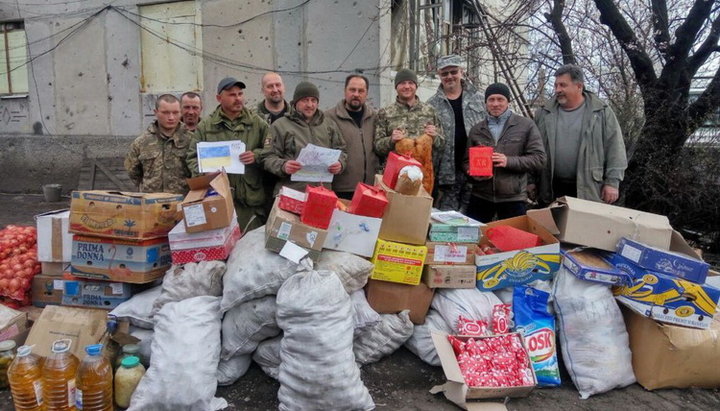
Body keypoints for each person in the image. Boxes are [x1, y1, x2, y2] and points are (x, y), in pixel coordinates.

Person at [534, 64, 627, 205]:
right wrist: (530, 181)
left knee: (583, 226)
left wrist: (612, 182)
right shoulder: (544, 113)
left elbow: (615, 148)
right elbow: (532, 149)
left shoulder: (601, 112)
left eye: (563, 85)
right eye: (556, 85)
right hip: (551, 187)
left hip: (588, 188)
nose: (558, 90)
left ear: (579, 86)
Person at [186, 77, 270, 231]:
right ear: (219, 98)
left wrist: (256, 155)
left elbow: (272, 151)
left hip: (249, 202)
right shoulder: (206, 126)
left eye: (240, 94)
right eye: (232, 95)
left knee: (247, 250)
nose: (238, 99)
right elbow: (192, 158)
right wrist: (205, 171)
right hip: (217, 200)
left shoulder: (257, 123)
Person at [464, 83, 546, 223]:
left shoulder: (525, 126)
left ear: (508, 101)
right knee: (474, 240)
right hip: (481, 196)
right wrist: (473, 172)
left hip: (513, 198)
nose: (495, 104)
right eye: (491, 100)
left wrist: (508, 161)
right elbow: (465, 162)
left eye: (500, 99)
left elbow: (539, 159)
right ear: (485, 103)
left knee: (514, 242)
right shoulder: (477, 130)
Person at [261, 81, 347, 194]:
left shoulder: (329, 125)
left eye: (313, 100)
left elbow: (341, 150)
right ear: (295, 103)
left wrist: (340, 163)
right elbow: (267, 157)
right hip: (291, 193)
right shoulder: (280, 125)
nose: (310, 105)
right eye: (305, 100)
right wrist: (283, 166)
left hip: (322, 193)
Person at [427, 55, 486, 212]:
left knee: (474, 223)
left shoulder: (480, 99)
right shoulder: (431, 105)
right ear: (439, 75)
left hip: (476, 172)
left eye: (453, 71)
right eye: (444, 74)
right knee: (447, 223)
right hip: (447, 175)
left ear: (462, 72)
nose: (449, 77)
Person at [374, 69, 445, 187]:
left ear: (416, 86)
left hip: (423, 176)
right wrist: (391, 140)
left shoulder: (429, 111)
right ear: (396, 87)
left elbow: (442, 144)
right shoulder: (385, 113)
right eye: (402, 83)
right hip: (395, 176)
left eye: (411, 83)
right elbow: (377, 147)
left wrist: (434, 137)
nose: (407, 87)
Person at [325, 74, 379, 199]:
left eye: (361, 91)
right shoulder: (329, 118)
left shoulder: (375, 118)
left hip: (370, 189)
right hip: (341, 189)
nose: (356, 94)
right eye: (352, 90)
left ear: (366, 93)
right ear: (345, 91)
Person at [125, 94, 192, 194]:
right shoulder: (142, 142)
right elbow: (133, 172)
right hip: (151, 203)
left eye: (175, 112)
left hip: (182, 201)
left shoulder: (191, 140)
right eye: (165, 113)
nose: (171, 117)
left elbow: (197, 173)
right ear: (156, 113)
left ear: (181, 113)